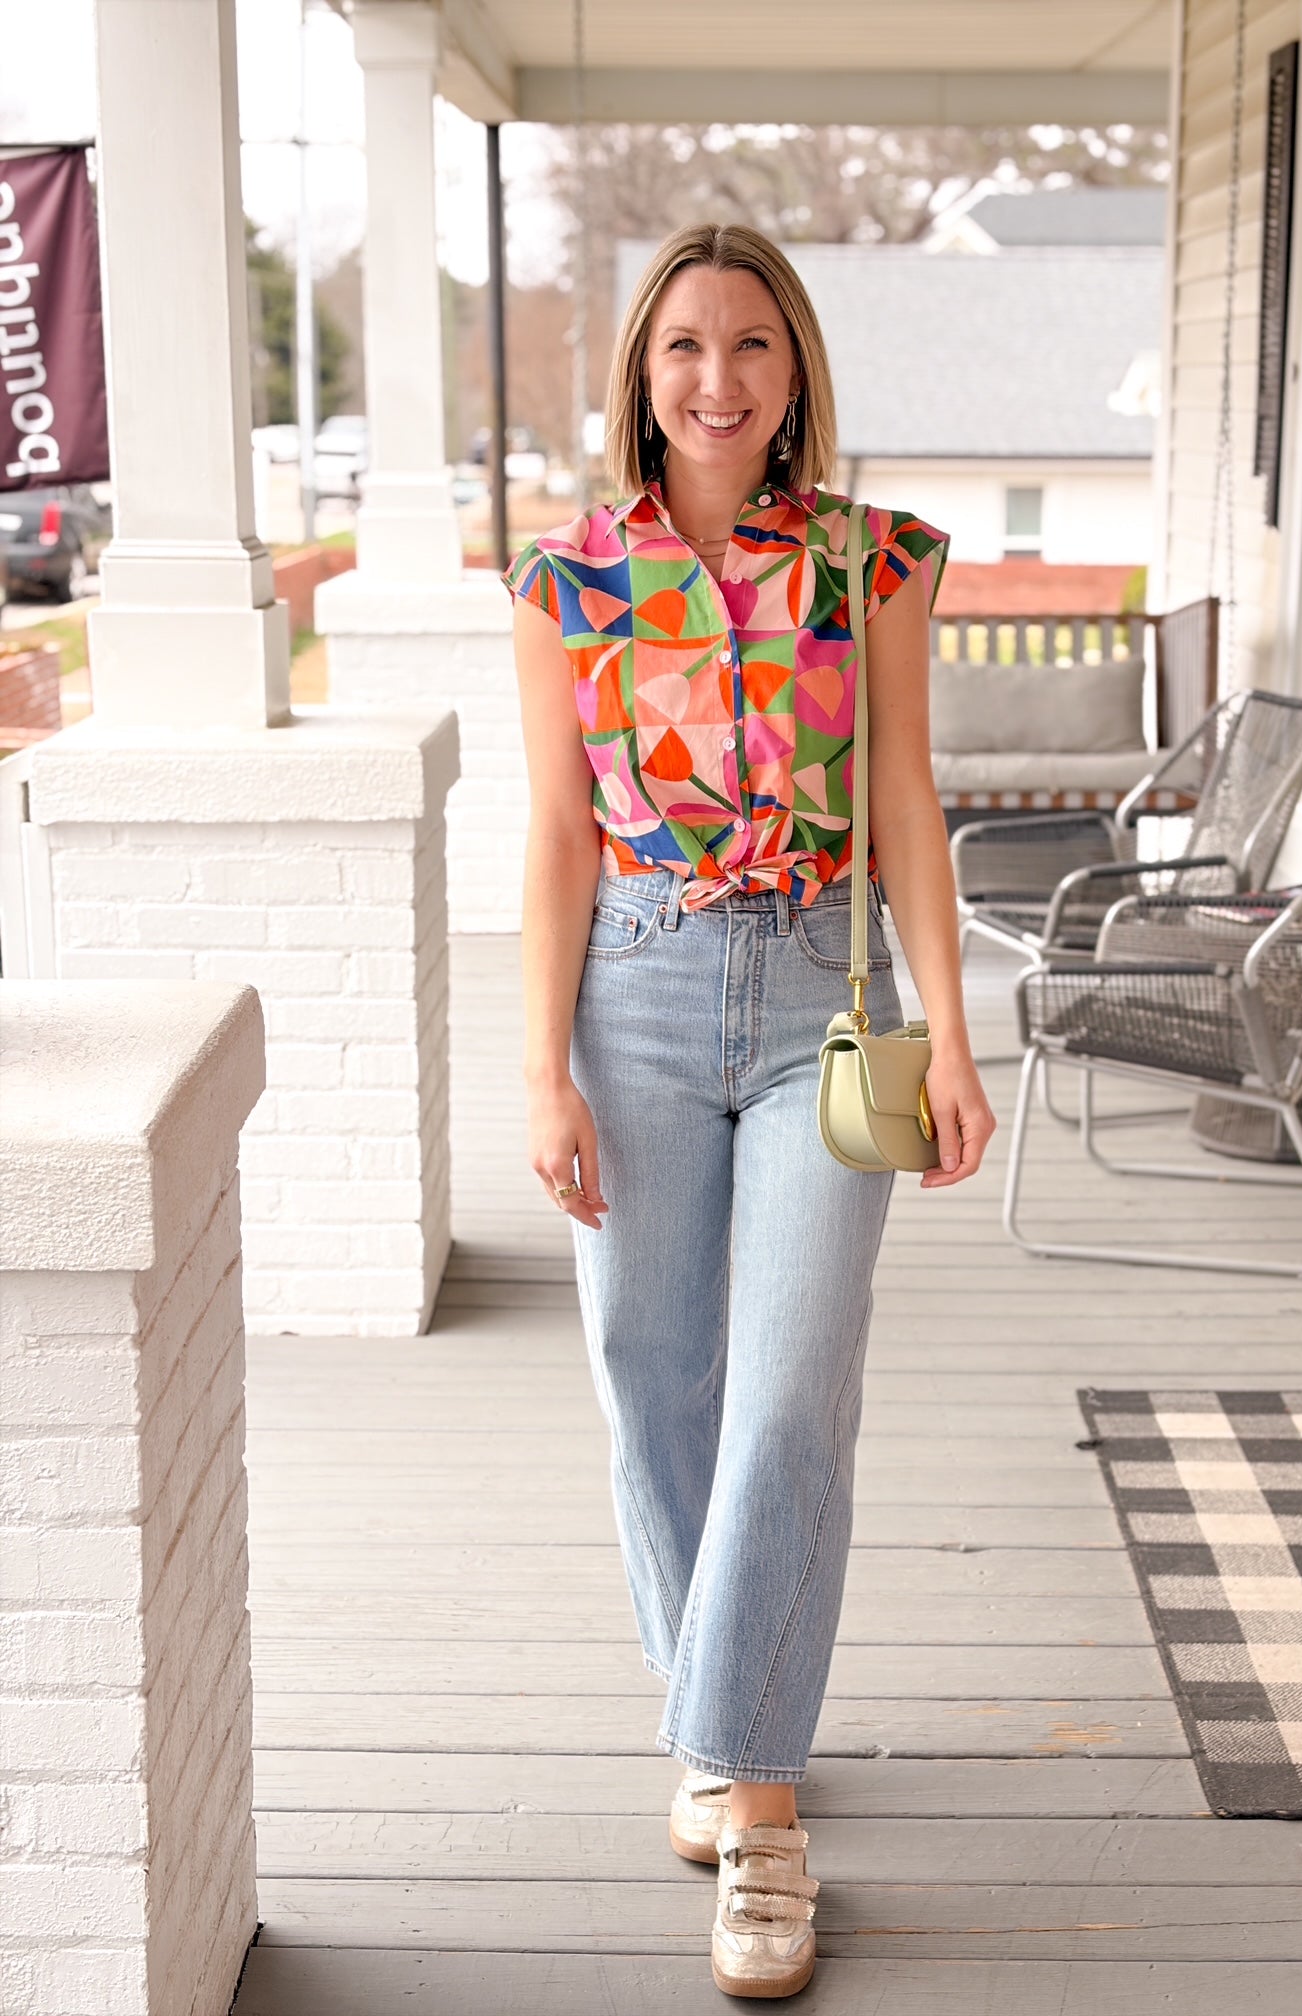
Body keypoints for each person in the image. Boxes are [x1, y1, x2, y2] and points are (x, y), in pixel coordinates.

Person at [505, 221, 994, 2000]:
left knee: (788, 1393)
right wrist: (539, 1064)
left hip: (821, 1000)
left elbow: (908, 799)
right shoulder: (567, 578)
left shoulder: (875, 563)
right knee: (653, 1376)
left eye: (753, 345)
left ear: (796, 374)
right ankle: (722, 1712)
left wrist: (956, 1036)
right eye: (686, 347)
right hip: (630, 992)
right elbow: (559, 834)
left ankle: (759, 1809)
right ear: (642, 373)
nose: (719, 379)